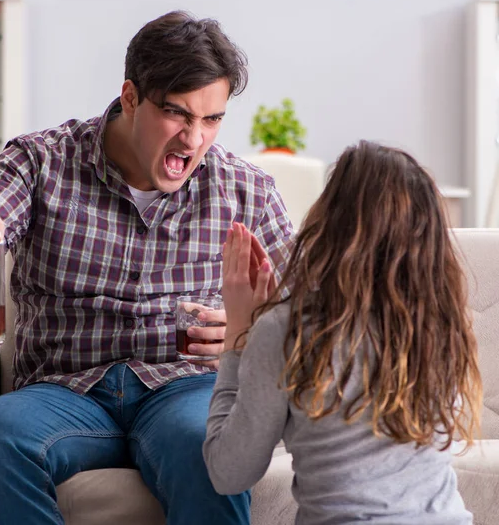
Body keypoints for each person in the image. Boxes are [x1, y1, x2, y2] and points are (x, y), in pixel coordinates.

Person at [0, 10, 294, 525]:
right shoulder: (42, 160)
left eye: (212, 119)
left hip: (183, 385)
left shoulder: (244, 188)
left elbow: (306, 309)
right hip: (64, 390)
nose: (194, 139)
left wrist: (248, 331)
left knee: (206, 448)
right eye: (178, 114)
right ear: (132, 97)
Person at [203, 140, 483, 525]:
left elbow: (228, 474)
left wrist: (239, 337)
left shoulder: (288, 329)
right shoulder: (443, 325)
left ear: (329, 222)